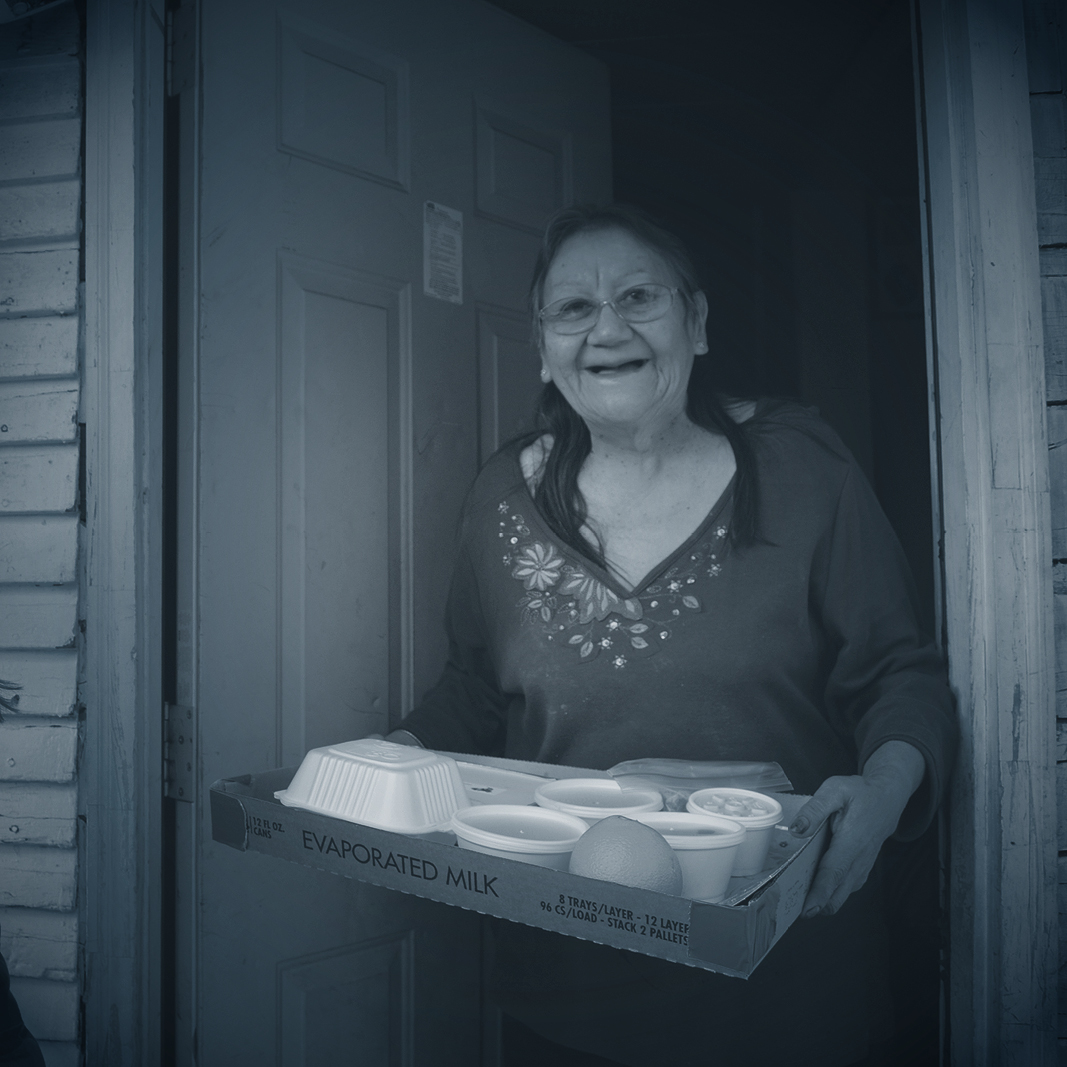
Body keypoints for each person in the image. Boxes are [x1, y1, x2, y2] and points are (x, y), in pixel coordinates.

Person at [388, 204, 957, 1067]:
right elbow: (472, 687)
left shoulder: (804, 470)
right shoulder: (501, 497)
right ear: (542, 347)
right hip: (571, 978)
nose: (606, 326)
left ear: (695, 322)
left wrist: (882, 793)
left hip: (783, 969)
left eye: (637, 297)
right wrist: (384, 766)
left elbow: (896, 673)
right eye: (572, 308)